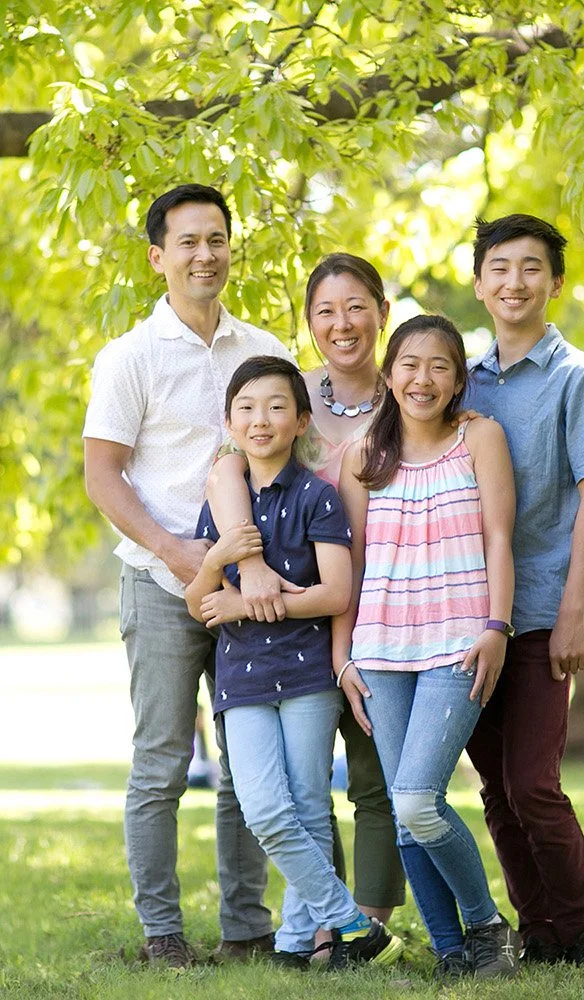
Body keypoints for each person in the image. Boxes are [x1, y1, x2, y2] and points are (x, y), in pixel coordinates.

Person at [82, 183, 292, 967]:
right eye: (188, 242)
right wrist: (173, 549)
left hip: (247, 591)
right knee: (162, 763)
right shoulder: (130, 357)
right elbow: (102, 475)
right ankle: (163, 935)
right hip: (161, 586)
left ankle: (247, 929)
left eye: (217, 240)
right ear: (157, 257)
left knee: (247, 765)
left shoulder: (263, 350)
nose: (205, 255)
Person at [205, 254, 405, 936]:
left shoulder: (412, 392)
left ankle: (365, 927)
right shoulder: (287, 398)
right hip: (299, 619)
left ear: (382, 312)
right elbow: (226, 471)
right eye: (326, 311)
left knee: (375, 778)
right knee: (298, 789)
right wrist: (249, 567)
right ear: (310, 323)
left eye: (356, 307)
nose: (342, 324)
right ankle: (324, 927)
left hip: (391, 603)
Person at [333, 314, 522, 980]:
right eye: (410, 365)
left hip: (459, 645)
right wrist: (342, 656)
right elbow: (351, 564)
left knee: (417, 799)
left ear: (458, 380)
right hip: (380, 651)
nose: (423, 379)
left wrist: (497, 627)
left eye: (439, 366)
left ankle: (488, 927)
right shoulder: (362, 455)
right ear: (389, 376)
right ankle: (450, 952)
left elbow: (499, 538)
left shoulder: (480, 438)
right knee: (405, 811)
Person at [462, 214, 584, 968]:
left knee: (533, 784)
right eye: (499, 268)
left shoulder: (577, 377)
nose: (514, 282)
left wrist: (573, 613)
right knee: (497, 790)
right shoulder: (461, 379)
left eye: (531, 268)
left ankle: (581, 927)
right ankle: (538, 931)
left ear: (555, 283)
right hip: (468, 618)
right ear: (478, 284)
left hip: (537, 614)